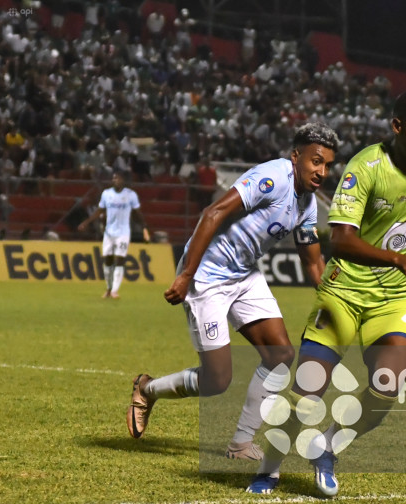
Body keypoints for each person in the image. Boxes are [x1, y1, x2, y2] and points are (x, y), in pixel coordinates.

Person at [247, 90, 406, 497]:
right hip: (344, 291)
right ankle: (269, 468)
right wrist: (398, 259)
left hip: (398, 298)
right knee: (306, 394)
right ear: (397, 127)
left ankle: (326, 446)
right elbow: (341, 241)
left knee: (388, 385)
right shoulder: (365, 167)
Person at [124, 124, 339, 464]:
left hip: (243, 275)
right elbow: (213, 213)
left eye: (327, 165)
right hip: (207, 275)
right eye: (316, 162)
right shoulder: (272, 178)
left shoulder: (308, 205)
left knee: (280, 354)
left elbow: (313, 265)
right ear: (296, 157)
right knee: (217, 379)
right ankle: (147, 389)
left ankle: (240, 443)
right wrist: (186, 276)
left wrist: (338, 303)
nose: (322, 171)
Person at [78, 172, 151, 299]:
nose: (115, 180)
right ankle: (108, 287)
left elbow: (137, 213)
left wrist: (144, 228)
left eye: (117, 178)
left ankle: (115, 290)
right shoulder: (106, 194)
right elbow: (100, 210)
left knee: (120, 259)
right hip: (109, 232)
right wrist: (87, 222)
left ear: (123, 179)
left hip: (123, 233)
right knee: (108, 260)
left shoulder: (130, 195)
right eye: (113, 178)